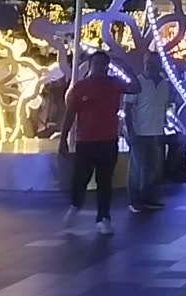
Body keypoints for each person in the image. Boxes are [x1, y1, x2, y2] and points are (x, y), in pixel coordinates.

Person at [60, 50, 141, 235]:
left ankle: (103, 218)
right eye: (96, 64)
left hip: (107, 140)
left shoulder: (114, 84)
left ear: (107, 66)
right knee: (80, 178)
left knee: (104, 181)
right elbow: (70, 113)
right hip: (85, 141)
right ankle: (75, 205)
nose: (99, 68)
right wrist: (63, 138)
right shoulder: (81, 87)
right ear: (90, 65)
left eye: (103, 64)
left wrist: (127, 68)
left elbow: (136, 87)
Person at [125, 51, 172, 212]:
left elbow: (164, 106)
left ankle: (149, 197)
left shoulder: (164, 84)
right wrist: (131, 130)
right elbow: (128, 107)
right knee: (138, 168)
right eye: (148, 63)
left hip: (157, 131)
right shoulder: (137, 82)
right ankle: (135, 200)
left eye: (153, 63)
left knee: (153, 168)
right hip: (140, 131)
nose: (150, 66)